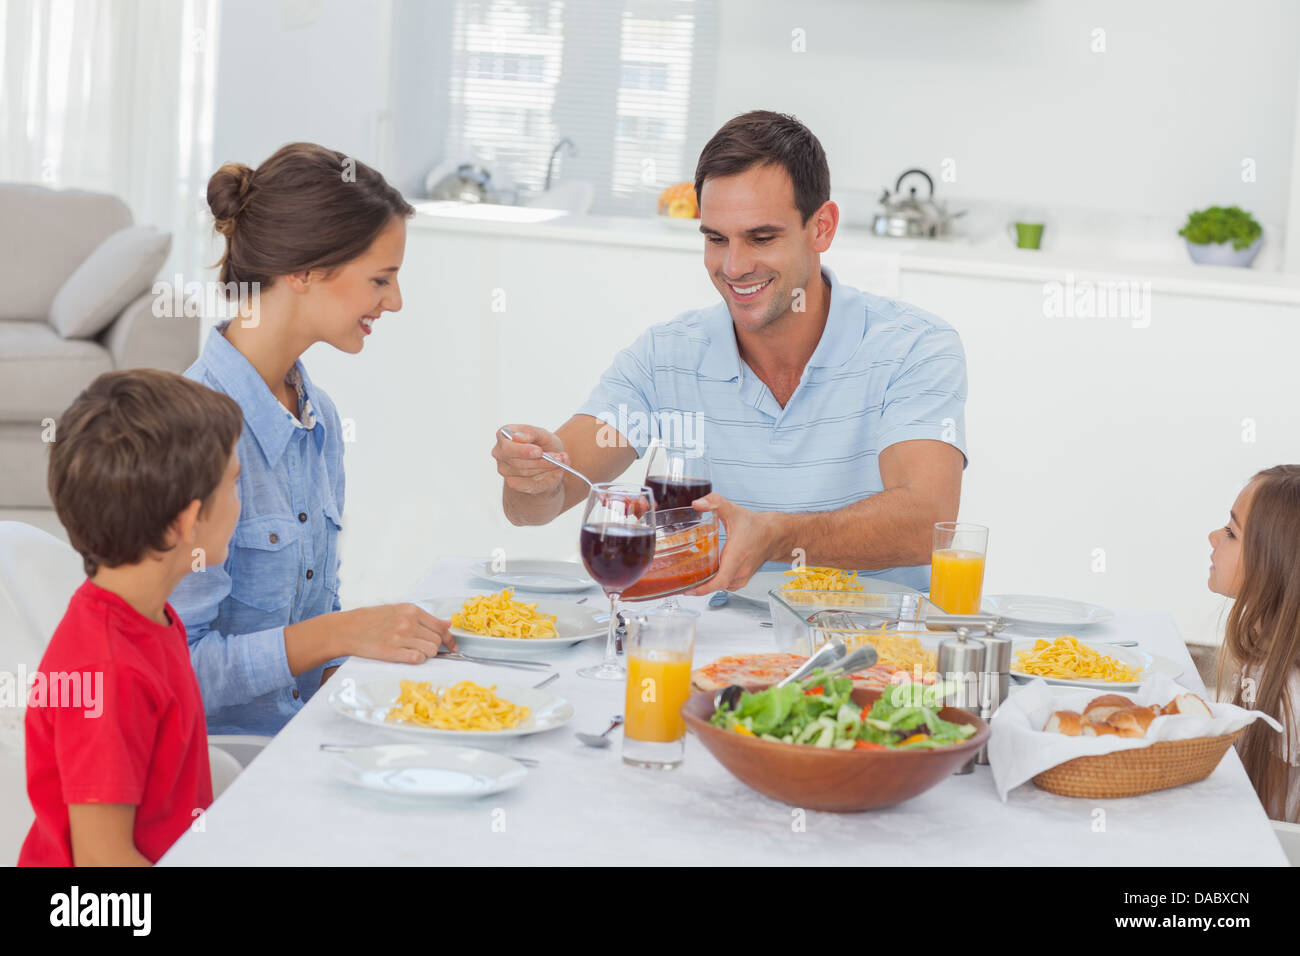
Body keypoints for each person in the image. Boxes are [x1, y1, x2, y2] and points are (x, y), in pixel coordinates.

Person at [492, 111, 967, 591]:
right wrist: (535, 479)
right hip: (707, 648)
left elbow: (929, 521)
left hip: (870, 652)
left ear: (821, 227)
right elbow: (536, 507)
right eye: (716, 239)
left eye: (762, 238)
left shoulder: (914, 347)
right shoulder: (666, 355)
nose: (734, 267)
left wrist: (777, 536)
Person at [171, 142, 455, 737]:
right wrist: (344, 632)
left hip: (301, 742)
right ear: (301, 271)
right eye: (381, 279)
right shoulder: (193, 433)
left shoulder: (316, 417)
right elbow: (176, 674)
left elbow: (306, 651)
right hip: (222, 775)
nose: (395, 302)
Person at [20, 370, 243, 866]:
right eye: (234, 483)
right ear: (186, 521)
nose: (240, 503)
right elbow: (103, 862)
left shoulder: (151, 616)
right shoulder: (107, 671)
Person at [1210, 465, 1300, 822]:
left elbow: (1272, 836)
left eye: (1231, 533)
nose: (1213, 536)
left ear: (1272, 565)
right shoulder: (1262, 657)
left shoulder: (1289, 696)